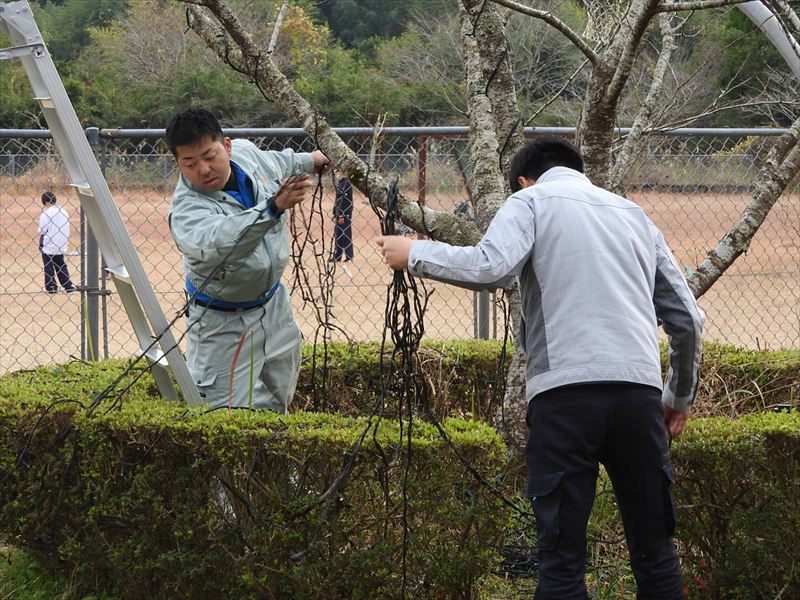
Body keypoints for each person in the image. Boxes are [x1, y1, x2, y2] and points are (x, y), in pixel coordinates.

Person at [377, 138, 704, 600]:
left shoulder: (528, 201)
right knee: (655, 551)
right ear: (578, 170)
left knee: (561, 559)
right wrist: (678, 396)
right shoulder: (634, 215)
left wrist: (413, 253)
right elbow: (687, 319)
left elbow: (492, 266)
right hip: (639, 396)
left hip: (564, 397)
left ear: (524, 179)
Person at [166, 107, 329, 412]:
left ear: (226, 145)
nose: (203, 169)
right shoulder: (187, 211)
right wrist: (273, 207)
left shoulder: (246, 154)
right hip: (222, 322)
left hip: (274, 305)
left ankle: (268, 455)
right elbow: (222, 241)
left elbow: (279, 162)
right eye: (190, 163)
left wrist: (313, 160)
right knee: (222, 416)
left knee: (278, 396)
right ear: (178, 164)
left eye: (209, 155)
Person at [38, 191, 76, 294]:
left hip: (48, 244)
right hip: (61, 243)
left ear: (45, 202)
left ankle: (52, 287)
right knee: (61, 265)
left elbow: (41, 230)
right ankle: (68, 286)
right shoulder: (63, 211)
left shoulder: (46, 214)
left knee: (49, 266)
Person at [331, 168, 354, 262]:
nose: (335, 174)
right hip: (340, 212)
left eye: (337, 172)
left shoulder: (345, 184)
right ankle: (337, 255)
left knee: (345, 234)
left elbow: (344, 201)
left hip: (344, 213)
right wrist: (335, 213)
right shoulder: (341, 183)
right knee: (339, 234)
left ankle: (349, 256)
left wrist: (341, 215)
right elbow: (337, 200)